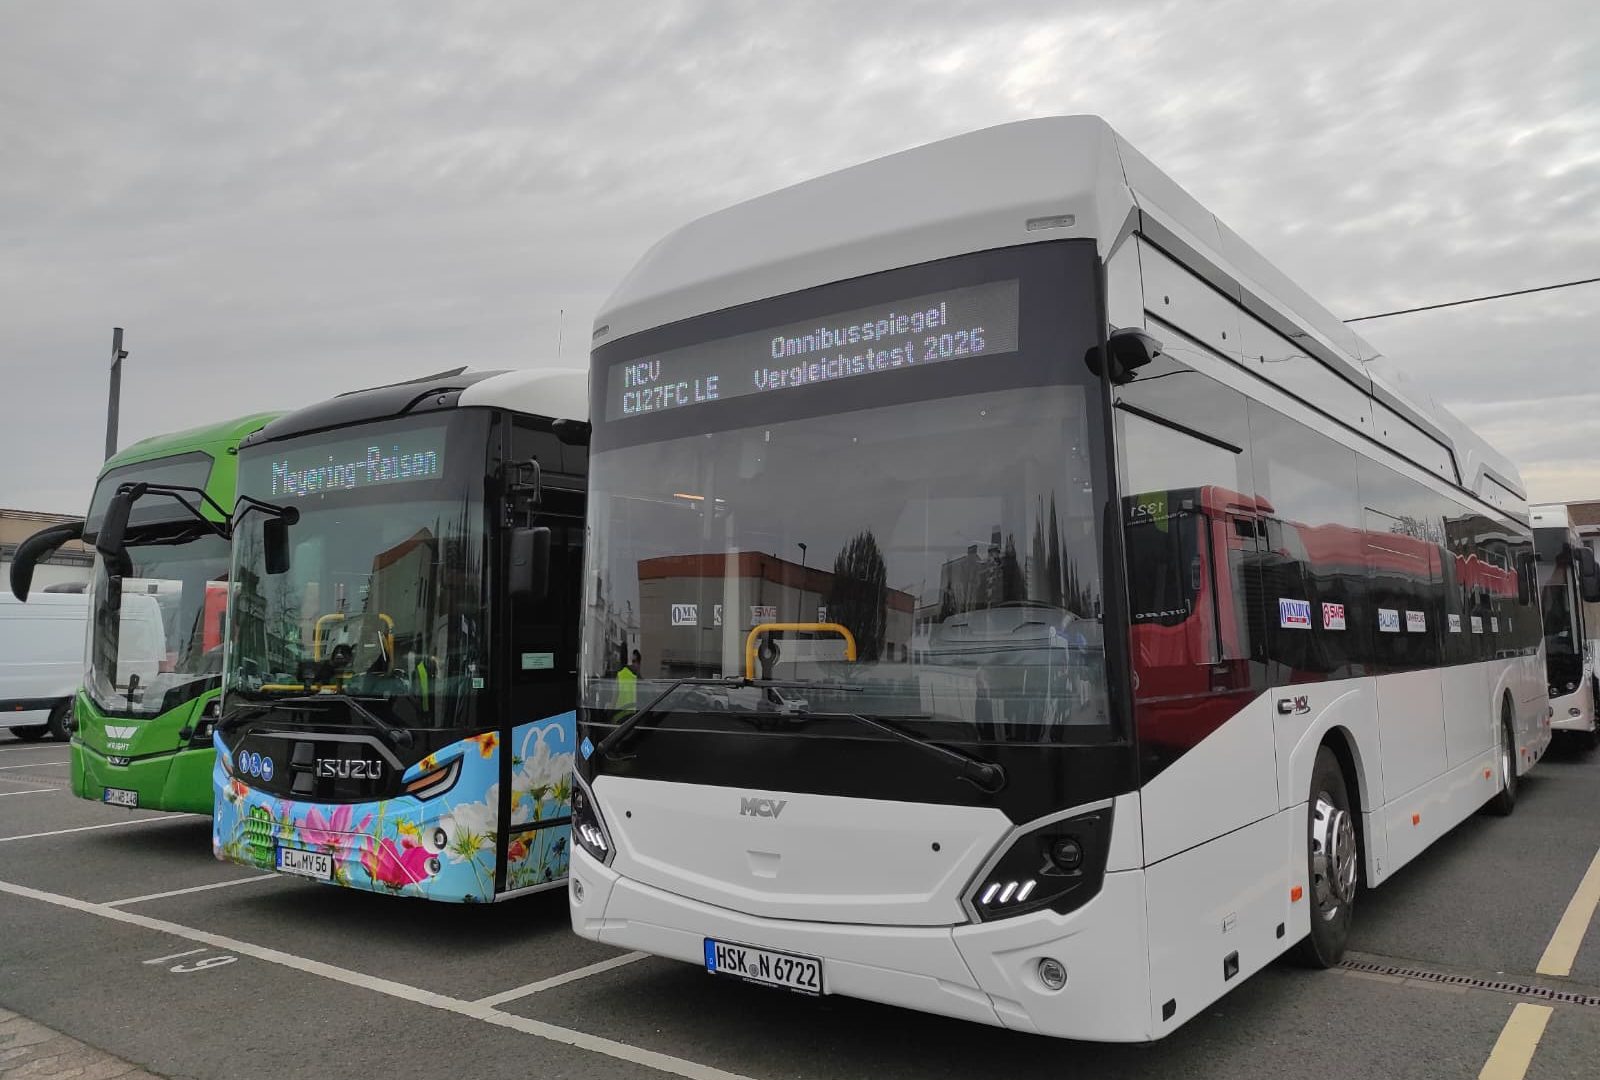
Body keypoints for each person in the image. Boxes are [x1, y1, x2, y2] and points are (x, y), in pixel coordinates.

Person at [614, 648, 641, 715]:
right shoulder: (621, 675)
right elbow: (614, 699)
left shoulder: (640, 680)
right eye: (633, 661)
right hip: (620, 718)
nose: (635, 665)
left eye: (637, 662)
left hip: (635, 718)